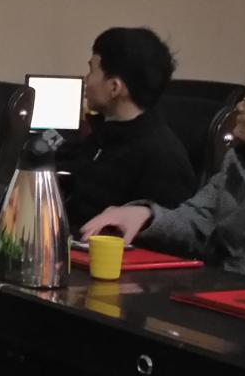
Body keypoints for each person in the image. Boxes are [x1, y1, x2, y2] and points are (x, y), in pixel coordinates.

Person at [82, 87, 245, 277]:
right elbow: (198, 220)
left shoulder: (160, 149)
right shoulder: (238, 161)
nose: (239, 107)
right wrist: (147, 216)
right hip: (222, 284)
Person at [58, 27, 195, 231]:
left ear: (114, 87)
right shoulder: (103, 136)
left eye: (92, 71)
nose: (86, 80)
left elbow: (164, 237)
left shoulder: (163, 158)